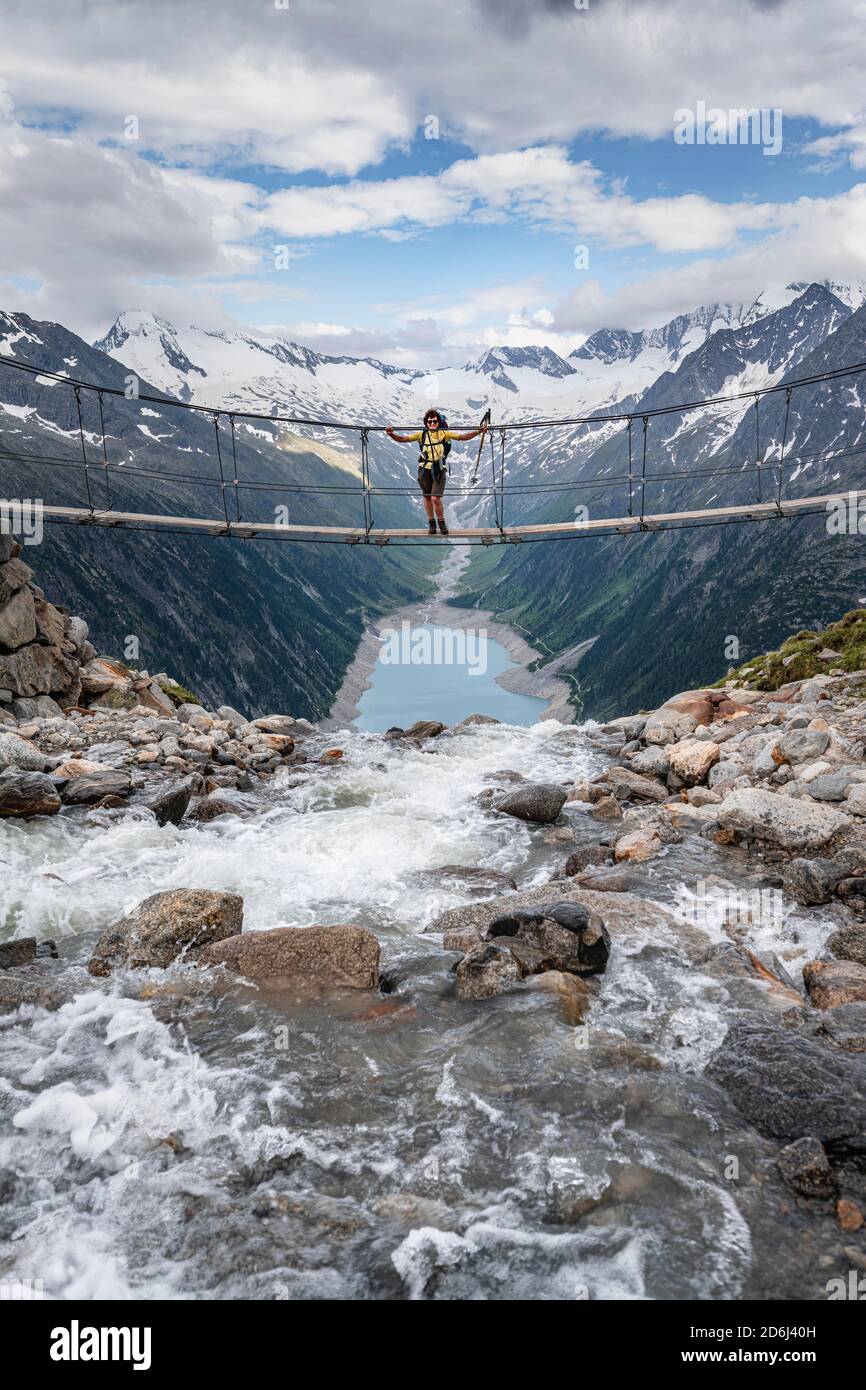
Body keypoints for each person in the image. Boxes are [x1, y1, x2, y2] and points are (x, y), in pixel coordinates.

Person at [386, 409, 488, 535]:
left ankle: (441, 522)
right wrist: (391, 434)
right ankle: (431, 524)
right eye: (430, 421)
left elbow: (463, 437)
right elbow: (403, 439)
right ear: (426, 423)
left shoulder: (444, 434)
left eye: (435, 421)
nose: (432, 423)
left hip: (439, 469)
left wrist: (478, 431)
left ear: (438, 422)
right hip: (424, 469)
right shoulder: (421, 435)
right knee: (427, 497)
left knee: (435, 498)